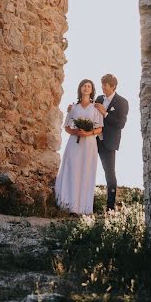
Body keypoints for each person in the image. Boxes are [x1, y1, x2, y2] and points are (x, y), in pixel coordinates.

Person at [55, 79, 103, 215]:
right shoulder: (73, 107)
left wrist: (88, 133)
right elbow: (67, 127)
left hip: (89, 144)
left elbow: (100, 128)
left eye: (89, 86)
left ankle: (82, 208)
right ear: (80, 89)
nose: (86, 88)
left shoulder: (96, 107)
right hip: (74, 143)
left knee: (85, 171)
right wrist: (76, 132)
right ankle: (69, 205)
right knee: (72, 170)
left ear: (92, 90)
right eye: (84, 86)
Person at [94, 74, 129, 211]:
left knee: (109, 173)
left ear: (113, 86)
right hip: (93, 139)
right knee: (88, 169)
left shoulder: (122, 102)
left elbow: (121, 124)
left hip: (108, 142)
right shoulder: (98, 99)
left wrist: (105, 113)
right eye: (102, 84)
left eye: (105, 85)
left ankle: (110, 207)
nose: (102, 87)